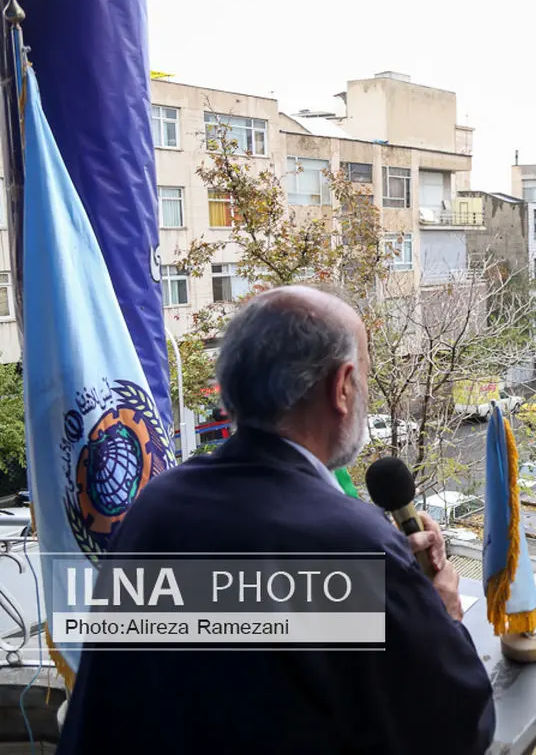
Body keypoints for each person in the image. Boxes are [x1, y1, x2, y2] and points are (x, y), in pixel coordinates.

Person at [59, 286, 495, 754]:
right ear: (342, 386)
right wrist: (441, 611)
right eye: (365, 373)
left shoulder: (154, 506)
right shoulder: (353, 545)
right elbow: (457, 729)